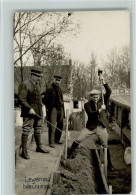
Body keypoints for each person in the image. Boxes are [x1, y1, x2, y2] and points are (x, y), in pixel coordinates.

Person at [68, 72, 114, 171]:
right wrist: (101, 109)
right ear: (90, 97)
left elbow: (109, 91)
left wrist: (103, 81)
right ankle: (68, 154)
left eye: (97, 96)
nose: (95, 98)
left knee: (105, 145)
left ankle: (109, 165)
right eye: (93, 96)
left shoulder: (103, 100)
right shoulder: (87, 104)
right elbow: (91, 114)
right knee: (78, 139)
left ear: (99, 96)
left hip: (101, 126)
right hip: (90, 127)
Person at [18, 66, 49, 160]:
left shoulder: (37, 84)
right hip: (29, 112)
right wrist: (29, 108)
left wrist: (42, 110)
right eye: (37, 76)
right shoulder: (24, 84)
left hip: (38, 111)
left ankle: (39, 147)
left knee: (38, 128)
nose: (39, 78)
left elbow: (39, 99)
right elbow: (22, 99)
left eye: (40, 76)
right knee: (26, 129)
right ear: (32, 75)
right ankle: (24, 151)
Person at [42, 74, 64, 148]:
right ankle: (51, 142)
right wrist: (50, 106)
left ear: (60, 81)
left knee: (60, 125)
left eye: (59, 80)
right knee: (52, 125)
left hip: (60, 108)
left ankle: (57, 140)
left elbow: (62, 100)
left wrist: (62, 110)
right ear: (54, 80)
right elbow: (44, 100)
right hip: (53, 109)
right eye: (56, 80)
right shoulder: (49, 88)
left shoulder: (60, 89)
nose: (57, 81)